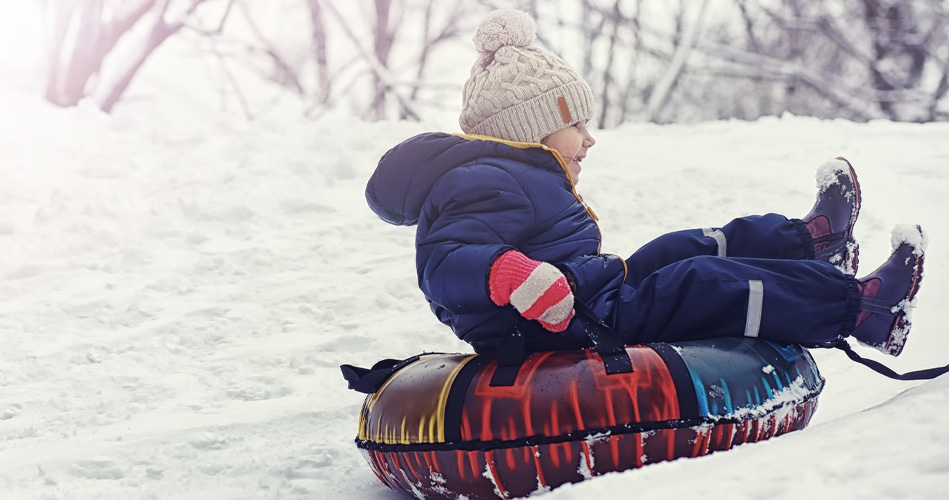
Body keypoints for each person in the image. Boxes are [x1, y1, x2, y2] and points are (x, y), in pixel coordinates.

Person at [365, 9, 925, 358]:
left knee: (679, 248)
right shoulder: (486, 180)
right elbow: (443, 262)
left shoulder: (515, 174)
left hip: (589, 295)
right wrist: (515, 274)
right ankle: (862, 311)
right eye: (576, 125)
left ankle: (814, 242)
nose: (589, 139)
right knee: (699, 278)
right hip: (554, 327)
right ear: (530, 132)